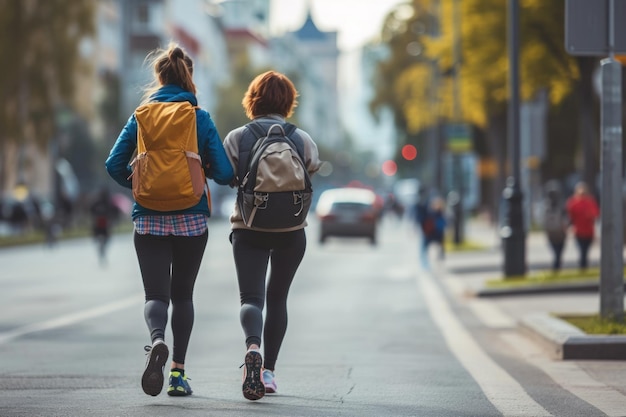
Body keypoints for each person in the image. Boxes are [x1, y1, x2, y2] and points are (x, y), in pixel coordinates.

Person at [105, 43, 234, 397]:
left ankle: (157, 340)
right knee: (184, 297)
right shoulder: (198, 117)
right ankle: (177, 373)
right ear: (188, 76)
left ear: (158, 77)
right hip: (191, 219)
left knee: (155, 296)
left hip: (148, 219)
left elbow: (113, 164)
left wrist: (140, 185)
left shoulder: (141, 116)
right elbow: (223, 171)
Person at [222, 70, 322, 401]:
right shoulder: (302, 138)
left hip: (249, 227)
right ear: (288, 102)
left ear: (253, 100)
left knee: (251, 299)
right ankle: (268, 373)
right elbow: (311, 168)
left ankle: (253, 347)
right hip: (292, 231)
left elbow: (225, 173)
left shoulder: (238, 137)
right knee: (278, 298)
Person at [566, 181, 599, 271]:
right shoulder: (573, 202)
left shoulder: (589, 202)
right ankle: (582, 267)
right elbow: (570, 216)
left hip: (588, 232)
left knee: (585, 251)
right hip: (579, 232)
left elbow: (595, 214)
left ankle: (583, 267)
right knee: (582, 251)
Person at [542, 182, 568, 272]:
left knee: (557, 253)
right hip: (557, 233)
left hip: (554, 233)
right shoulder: (559, 206)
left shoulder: (547, 206)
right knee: (558, 253)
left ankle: (556, 267)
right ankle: (556, 267)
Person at [89, 185, 119, 265]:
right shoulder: (97, 202)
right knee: (100, 240)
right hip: (98, 224)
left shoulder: (109, 203)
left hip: (105, 224)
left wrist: (112, 220)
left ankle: (102, 251)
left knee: (105, 241)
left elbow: (114, 212)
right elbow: (91, 211)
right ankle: (101, 251)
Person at [420, 196, 447, 266]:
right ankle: (426, 263)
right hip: (431, 234)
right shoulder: (431, 213)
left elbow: (444, 223)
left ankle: (436, 261)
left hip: (437, 234)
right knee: (427, 249)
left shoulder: (440, 213)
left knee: (438, 249)